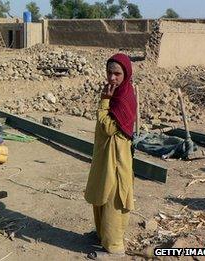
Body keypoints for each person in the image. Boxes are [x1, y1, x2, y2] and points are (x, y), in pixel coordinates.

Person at [84, 53, 137, 259]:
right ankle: (102, 235)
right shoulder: (115, 93)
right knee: (100, 191)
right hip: (105, 154)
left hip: (117, 157)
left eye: (117, 73)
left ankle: (114, 247)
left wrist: (104, 102)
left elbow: (107, 127)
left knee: (114, 197)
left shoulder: (123, 98)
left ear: (126, 74)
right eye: (109, 72)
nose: (112, 78)